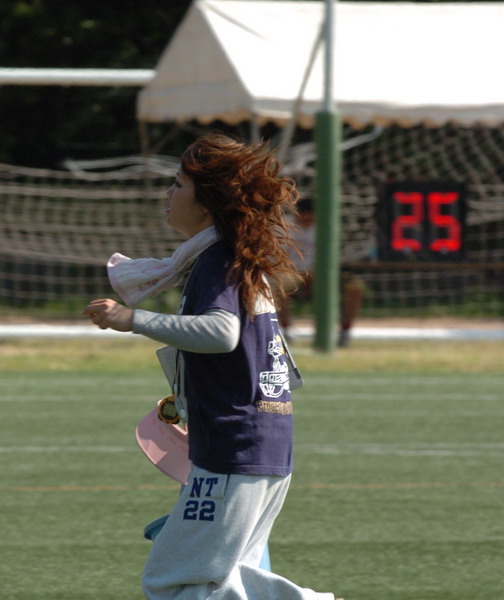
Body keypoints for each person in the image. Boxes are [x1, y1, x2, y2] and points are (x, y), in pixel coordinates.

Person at [82, 134, 339, 600]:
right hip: (257, 445)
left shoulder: (217, 259)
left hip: (234, 448)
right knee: (227, 579)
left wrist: (131, 319)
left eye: (179, 184)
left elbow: (221, 333)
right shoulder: (233, 257)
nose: (169, 193)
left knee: (178, 582)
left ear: (206, 201)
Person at [277, 198, 365, 347]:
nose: (306, 219)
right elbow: (278, 259)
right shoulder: (283, 227)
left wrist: (318, 273)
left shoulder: (327, 227)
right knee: (277, 286)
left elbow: (334, 258)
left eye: (310, 216)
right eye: (302, 215)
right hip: (291, 273)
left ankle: (345, 332)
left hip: (321, 275)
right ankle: (284, 330)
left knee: (355, 286)